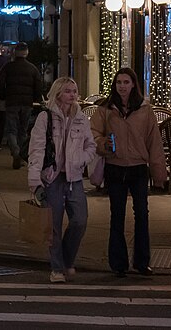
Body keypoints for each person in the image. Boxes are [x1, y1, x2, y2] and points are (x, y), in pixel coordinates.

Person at [89, 67, 167, 277]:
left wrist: (159, 172)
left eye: (126, 82)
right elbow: (93, 132)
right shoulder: (106, 109)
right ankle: (118, 263)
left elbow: (154, 142)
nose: (122, 86)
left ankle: (142, 262)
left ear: (133, 84)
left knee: (142, 214)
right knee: (117, 215)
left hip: (138, 168)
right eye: (118, 82)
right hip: (115, 167)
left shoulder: (144, 109)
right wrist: (102, 143)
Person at [28, 77, 101, 283]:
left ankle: (67, 260)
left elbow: (91, 145)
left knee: (80, 220)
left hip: (74, 176)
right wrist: (35, 181)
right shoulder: (46, 117)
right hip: (52, 177)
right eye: (68, 91)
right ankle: (57, 267)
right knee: (54, 225)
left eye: (75, 91)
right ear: (58, 93)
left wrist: (81, 160)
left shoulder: (81, 118)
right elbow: (36, 149)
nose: (73, 95)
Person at [0, 42, 46, 170]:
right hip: (27, 103)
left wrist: (3, 96)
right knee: (23, 130)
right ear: (27, 53)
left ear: (15, 52)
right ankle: (21, 153)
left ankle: (15, 152)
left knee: (11, 130)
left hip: (12, 102)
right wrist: (35, 98)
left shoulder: (8, 67)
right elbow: (39, 86)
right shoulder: (32, 68)